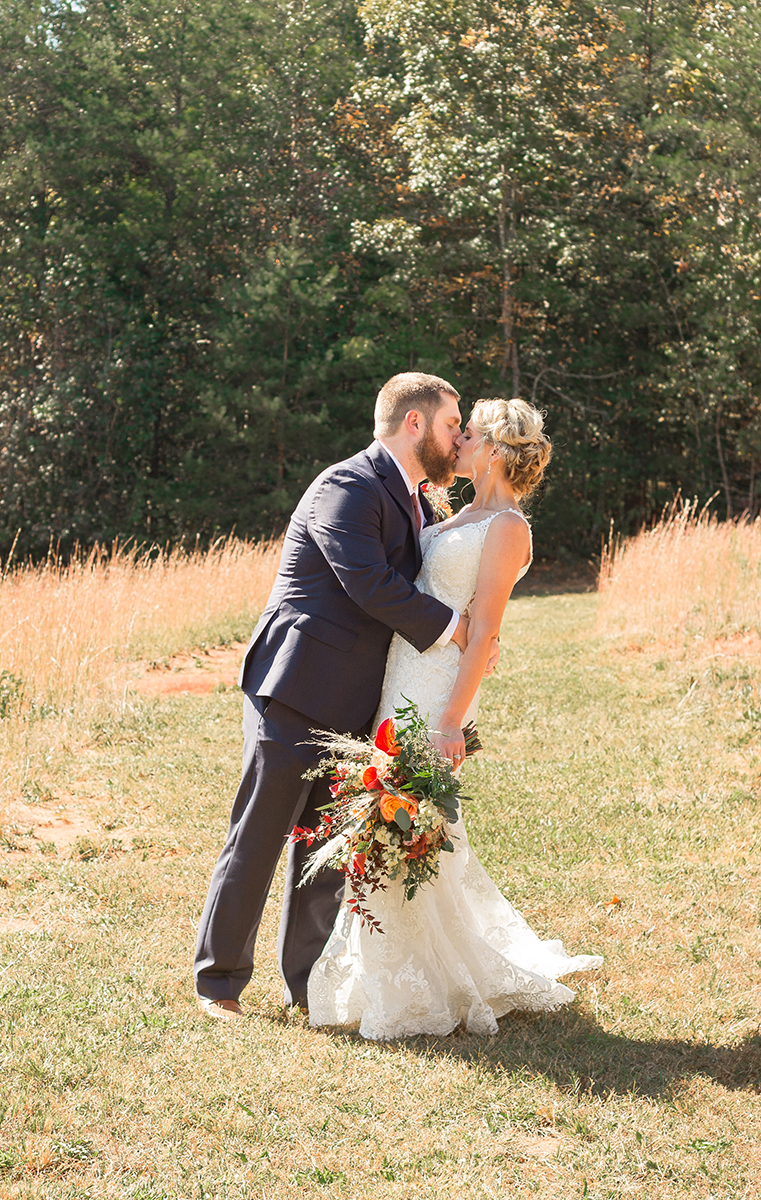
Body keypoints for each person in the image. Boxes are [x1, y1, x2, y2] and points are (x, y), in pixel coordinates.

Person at [307, 398, 601, 1039]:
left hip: (437, 689)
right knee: (390, 813)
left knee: (414, 819)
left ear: (493, 449)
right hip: (401, 673)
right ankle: (389, 966)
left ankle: (422, 978)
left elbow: (486, 630)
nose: (457, 441)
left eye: (467, 434)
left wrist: (451, 721)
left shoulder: (507, 529)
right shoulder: (452, 512)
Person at [192, 373, 475, 1020]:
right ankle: (219, 983)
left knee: (323, 847)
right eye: (451, 424)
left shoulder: (411, 499)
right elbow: (369, 583)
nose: (457, 437)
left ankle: (307, 987)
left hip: (350, 701)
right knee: (258, 837)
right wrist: (456, 629)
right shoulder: (347, 484)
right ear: (414, 424)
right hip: (295, 688)